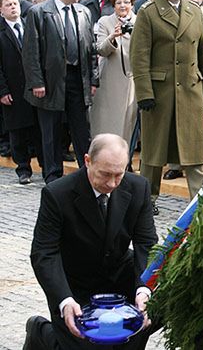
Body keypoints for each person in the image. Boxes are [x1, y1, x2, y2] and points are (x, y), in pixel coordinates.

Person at [23, 133, 158, 350]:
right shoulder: (56, 194)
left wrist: (144, 289)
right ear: (87, 161)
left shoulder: (139, 187)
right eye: (105, 174)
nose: (112, 183)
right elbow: (43, 253)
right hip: (76, 284)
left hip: (121, 276)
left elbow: (147, 244)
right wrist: (65, 301)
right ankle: (42, 332)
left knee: (139, 326)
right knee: (89, 345)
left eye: (119, 174)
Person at [130, 0, 203, 213]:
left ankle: (199, 202)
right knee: (154, 152)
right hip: (160, 93)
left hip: (190, 91)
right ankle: (147, 201)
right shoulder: (148, 13)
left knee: (194, 150)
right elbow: (139, 57)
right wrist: (144, 92)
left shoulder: (194, 11)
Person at [23, 0, 98, 184]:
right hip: (50, 81)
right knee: (51, 131)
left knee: (81, 130)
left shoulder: (84, 12)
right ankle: (53, 176)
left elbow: (91, 48)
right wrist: (36, 81)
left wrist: (93, 79)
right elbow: (31, 51)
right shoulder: (39, 12)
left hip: (78, 79)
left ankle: (87, 174)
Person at [0, 0, 43, 185]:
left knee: (39, 130)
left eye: (15, 3)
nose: (13, 7)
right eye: (8, 5)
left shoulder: (30, 25)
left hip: (33, 87)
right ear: (1, 10)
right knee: (17, 133)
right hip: (12, 89)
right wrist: (2, 90)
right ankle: (23, 169)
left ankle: (46, 166)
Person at [90, 0, 137, 145]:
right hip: (110, 76)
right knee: (107, 119)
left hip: (132, 77)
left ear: (132, 4)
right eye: (118, 2)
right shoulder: (105, 21)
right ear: (113, 5)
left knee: (129, 119)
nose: (123, 5)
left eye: (126, 2)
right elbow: (100, 49)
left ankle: (125, 157)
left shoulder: (139, 21)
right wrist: (113, 36)